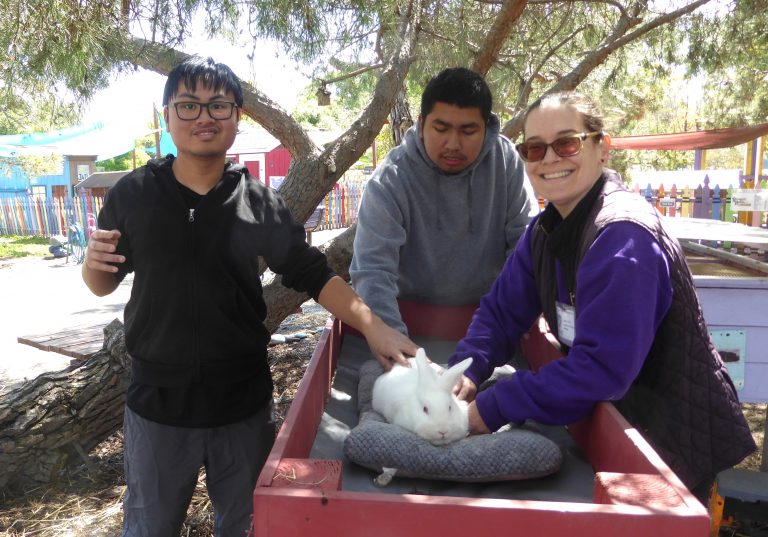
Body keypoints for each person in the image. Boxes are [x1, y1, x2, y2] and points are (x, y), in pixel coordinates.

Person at [82, 56, 418, 537]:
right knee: (150, 528)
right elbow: (102, 283)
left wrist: (373, 325)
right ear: (167, 115)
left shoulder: (257, 202)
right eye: (189, 105)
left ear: (238, 117)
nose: (204, 117)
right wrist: (91, 267)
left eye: (218, 106)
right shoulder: (134, 195)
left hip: (241, 405)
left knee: (247, 527)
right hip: (158, 406)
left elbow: (313, 273)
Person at [448, 91, 756, 502]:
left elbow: (601, 368)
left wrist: (491, 407)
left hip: (669, 442)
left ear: (602, 149)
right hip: (613, 426)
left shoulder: (623, 238)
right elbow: (501, 312)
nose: (550, 159)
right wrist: (464, 372)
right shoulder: (544, 231)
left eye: (567, 143)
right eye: (535, 148)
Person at [350, 67, 537, 335]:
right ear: (422, 123)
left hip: (490, 317)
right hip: (405, 318)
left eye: (468, 131)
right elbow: (372, 271)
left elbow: (525, 247)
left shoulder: (506, 162)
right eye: (441, 128)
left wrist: (504, 325)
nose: (453, 144)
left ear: (486, 127)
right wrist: (391, 340)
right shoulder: (390, 180)